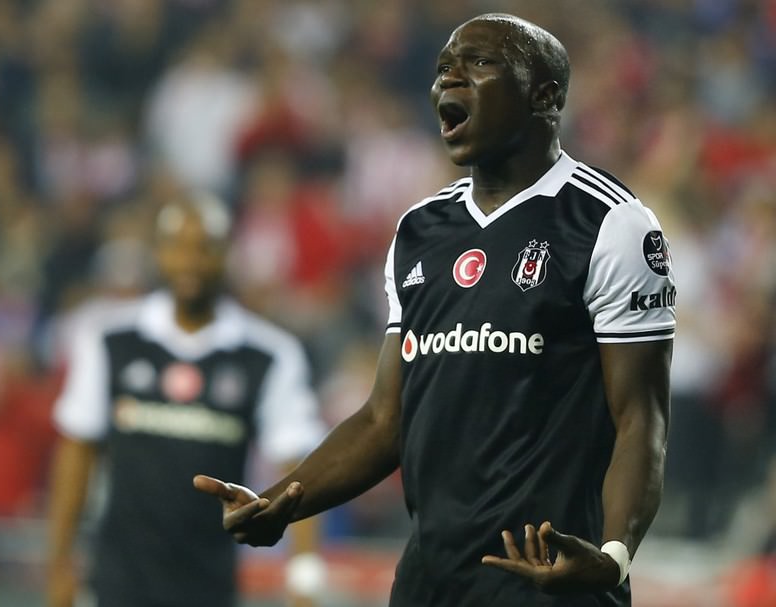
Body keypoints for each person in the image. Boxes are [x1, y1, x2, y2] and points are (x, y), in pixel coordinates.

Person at [195, 13, 675, 607]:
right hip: (431, 579)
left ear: (545, 96)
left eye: (480, 63)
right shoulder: (419, 231)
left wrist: (613, 555)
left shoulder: (610, 224)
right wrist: (280, 502)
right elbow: (383, 420)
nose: (451, 79)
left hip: (550, 578)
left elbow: (641, 418)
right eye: (444, 67)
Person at [46, 193, 326, 607]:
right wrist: (59, 564)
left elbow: (296, 467)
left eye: (204, 247)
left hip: (211, 583)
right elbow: (76, 450)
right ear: (158, 253)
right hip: (117, 580)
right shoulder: (110, 341)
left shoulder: (267, 355)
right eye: (178, 246)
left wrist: (304, 576)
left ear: (226, 254)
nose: (190, 261)